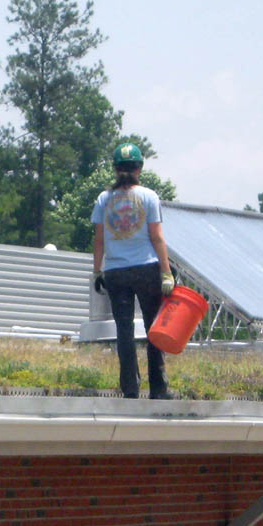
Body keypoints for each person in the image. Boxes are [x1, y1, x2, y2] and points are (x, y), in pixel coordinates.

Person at [91, 143, 176, 399]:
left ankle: (130, 389)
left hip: (116, 272)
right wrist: (166, 272)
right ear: (139, 168)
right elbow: (157, 237)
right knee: (155, 329)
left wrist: (97, 272)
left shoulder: (103, 200)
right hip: (146, 269)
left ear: (116, 169)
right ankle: (158, 389)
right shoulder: (149, 197)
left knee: (124, 332)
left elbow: (99, 240)